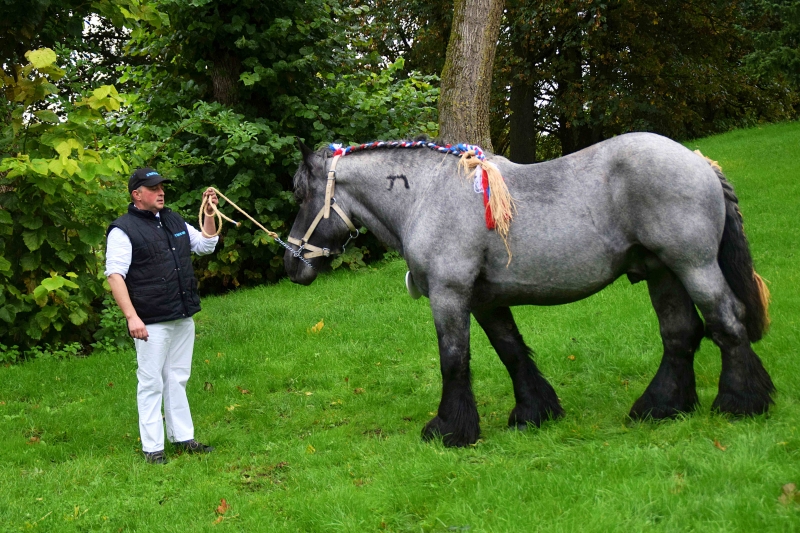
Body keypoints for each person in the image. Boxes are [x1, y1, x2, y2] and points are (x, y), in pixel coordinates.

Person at [105, 167, 220, 464]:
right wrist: (132, 317)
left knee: (177, 377)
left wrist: (209, 213)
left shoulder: (173, 218)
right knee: (151, 381)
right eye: (154, 188)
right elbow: (115, 275)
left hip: (182, 314)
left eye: (162, 187)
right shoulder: (122, 229)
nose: (161, 192)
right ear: (137, 194)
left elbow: (205, 245)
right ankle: (153, 448)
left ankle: (183, 438)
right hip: (150, 320)